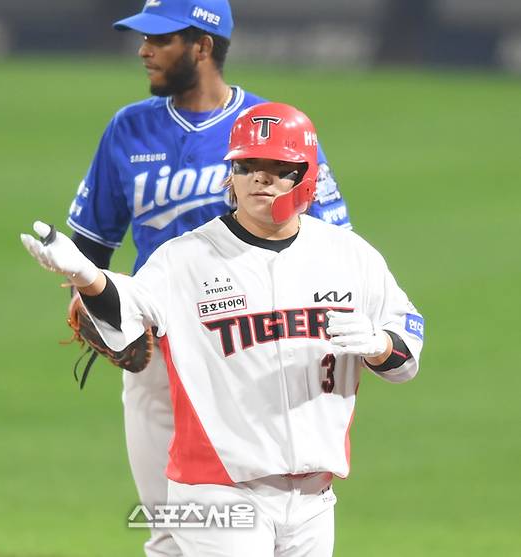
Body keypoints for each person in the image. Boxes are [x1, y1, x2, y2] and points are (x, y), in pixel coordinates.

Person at [21, 102, 424, 557]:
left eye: (278, 167)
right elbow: (126, 318)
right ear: (229, 176)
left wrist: (380, 346)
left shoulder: (349, 256)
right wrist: (87, 278)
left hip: (314, 498)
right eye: (247, 166)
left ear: (307, 176)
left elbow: (406, 352)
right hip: (217, 492)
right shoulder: (184, 258)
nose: (260, 178)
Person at [66, 1, 350, 555]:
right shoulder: (128, 129)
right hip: (158, 354)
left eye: (160, 40)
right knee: (174, 532)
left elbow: (333, 239)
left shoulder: (273, 126)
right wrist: (97, 304)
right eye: (143, 39)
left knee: (255, 520)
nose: (144, 50)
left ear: (202, 45)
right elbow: (90, 248)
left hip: (249, 351)